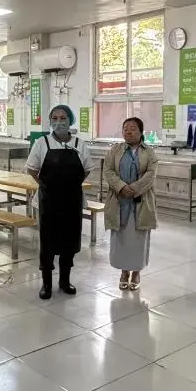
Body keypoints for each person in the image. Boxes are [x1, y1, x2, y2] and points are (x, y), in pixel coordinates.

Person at [26, 104, 93, 299]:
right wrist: (45, 184)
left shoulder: (80, 144)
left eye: (63, 118)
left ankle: (65, 281)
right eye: (54, 118)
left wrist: (71, 184)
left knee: (69, 241)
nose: (59, 122)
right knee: (47, 242)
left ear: (70, 120)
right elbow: (32, 168)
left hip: (72, 200)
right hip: (49, 201)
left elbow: (87, 169)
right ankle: (46, 283)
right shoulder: (42, 143)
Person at [103, 117, 158, 290]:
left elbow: (151, 175)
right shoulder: (115, 150)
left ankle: (136, 272)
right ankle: (124, 271)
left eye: (133, 128)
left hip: (141, 203)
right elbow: (108, 171)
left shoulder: (149, 153)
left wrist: (133, 189)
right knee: (121, 239)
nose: (128, 131)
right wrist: (121, 187)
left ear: (141, 132)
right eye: (125, 128)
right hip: (119, 202)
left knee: (139, 239)